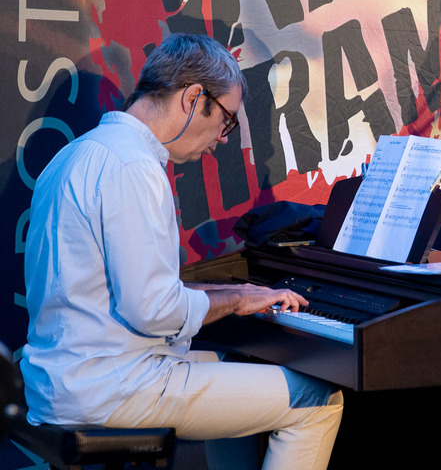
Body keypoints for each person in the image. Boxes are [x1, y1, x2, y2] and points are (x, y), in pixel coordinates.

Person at [21, 34, 343, 470]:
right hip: (111, 385)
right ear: (193, 98)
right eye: (227, 120)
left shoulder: (75, 154)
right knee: (318, 400)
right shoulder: (133, 166)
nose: (224, 139)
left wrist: (238, 292)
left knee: (238, 364)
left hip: (65, 377)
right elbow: (152, 310)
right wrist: (237, 299)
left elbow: (132, 291)